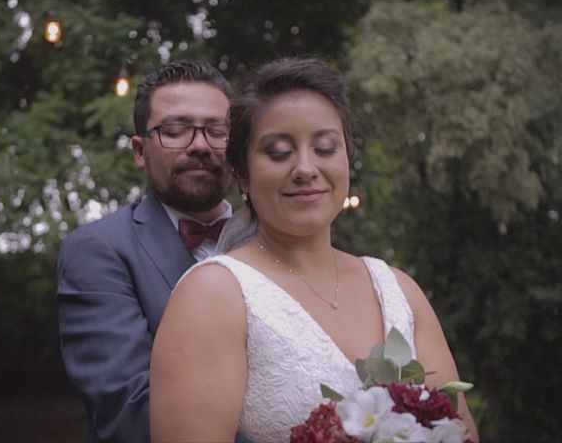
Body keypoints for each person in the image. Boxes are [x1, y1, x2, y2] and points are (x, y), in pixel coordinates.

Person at [149, 57, 479, 442]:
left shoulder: (398, 290)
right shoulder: (214, 294)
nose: (305, 167)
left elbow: (459, 431)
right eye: (278, 152)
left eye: (324, 148)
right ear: (241, 174)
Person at [57, 59, 240, 443]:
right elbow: (132, 415)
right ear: (140, 151)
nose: (200, 146)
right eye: (175, 130)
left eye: (217, 131)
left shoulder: (274, 241)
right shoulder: (98, 250)